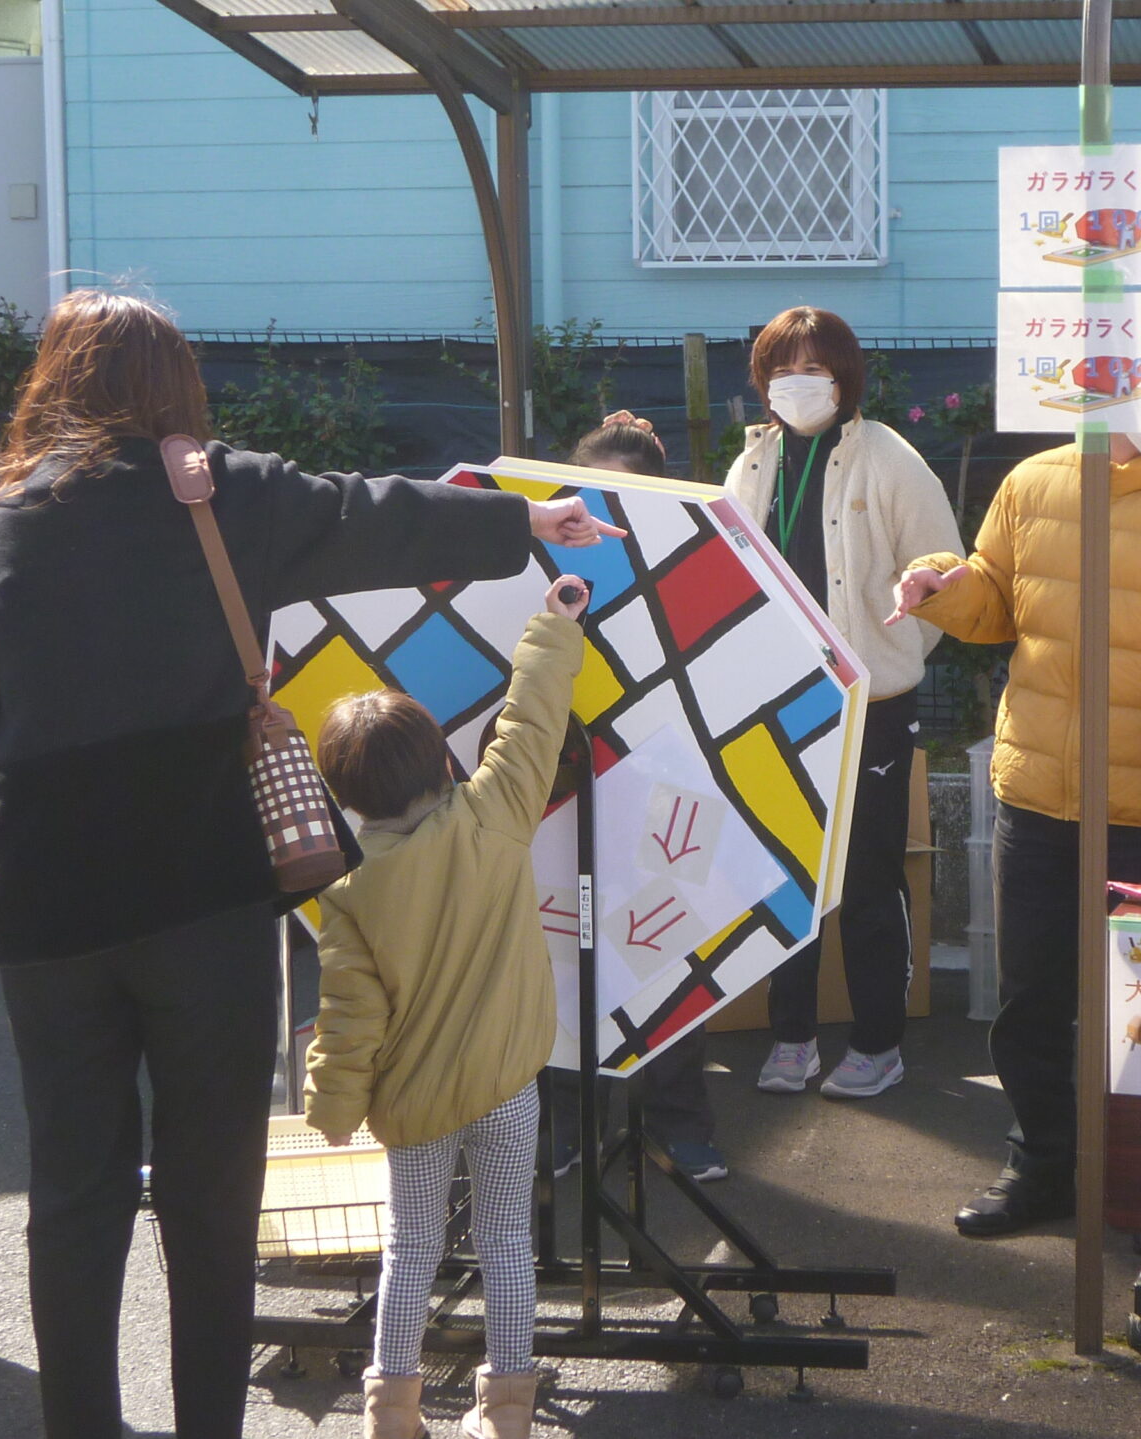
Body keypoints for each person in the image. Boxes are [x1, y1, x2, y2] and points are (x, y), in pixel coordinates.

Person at [0, 288, 617, 1439]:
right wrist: (523, 521)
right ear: (174, 389)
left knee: (74, 1191)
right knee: (210, 1193)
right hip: (200, 896)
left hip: (45, 906)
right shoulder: (218, 495)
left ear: (50, 384)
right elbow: (367, 514)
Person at [890, 430, 1141, 1236]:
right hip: (1036, 791)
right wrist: (942, 585)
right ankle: (1039, 1164)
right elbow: (997, 596)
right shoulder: (1034, 481)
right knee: (1030, 997)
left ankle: (1137, 1175)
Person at [306, 576, 589, 1439]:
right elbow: (531, 723)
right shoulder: (496, 813)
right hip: (506, 1085)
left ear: (347, 797)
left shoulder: (349, 893)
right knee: (506, 1241)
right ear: (442, 763)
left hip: (414, 1103)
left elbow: (349, 1019)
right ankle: (506, 1411)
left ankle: (392, 1410)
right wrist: (555, 624)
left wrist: (334, 1107)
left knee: (410, 1247)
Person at [724, 307, 961, 1102]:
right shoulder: (752, 463)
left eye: (814, 368)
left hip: (870, 704)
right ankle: (791, 1035)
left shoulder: (889, 458)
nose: (797, 383)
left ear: (845, 377)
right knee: (785, 871)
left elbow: (944, 575)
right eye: (782, 369)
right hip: (778, 698)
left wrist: (889, 660)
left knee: (867, 875)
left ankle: (877, 1042)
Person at [548, 415, 728, 1180]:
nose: (602, 519)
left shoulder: (694, 558)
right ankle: (564, 1123)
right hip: (564, 778)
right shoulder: (538, 560)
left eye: (624, 500)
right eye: (590, 499)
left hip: (668, 771)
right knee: (560, 948)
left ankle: (677, 1122)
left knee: (666, 946)